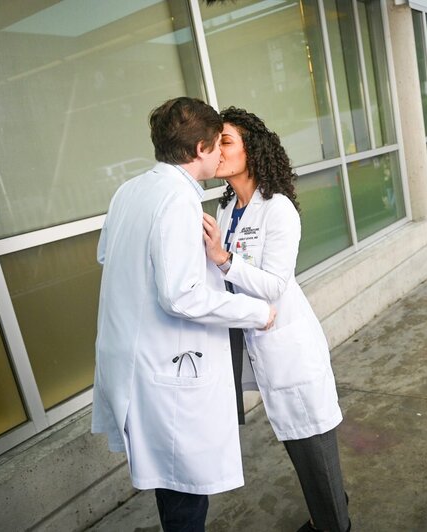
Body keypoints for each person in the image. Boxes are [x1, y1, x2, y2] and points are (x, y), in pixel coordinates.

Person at [92, 97, 276, 532]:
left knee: (172, 483)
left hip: (137, 360)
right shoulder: (177, 201)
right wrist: (256, 311)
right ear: (199, 150)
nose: (220, 154)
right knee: (185, 492)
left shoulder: (130, 190)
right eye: (217, 145)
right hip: (166, 368)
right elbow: (182, 296)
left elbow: (107, 255)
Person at [202, 107, 350, 532]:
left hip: (290, 350)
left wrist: (223, 259)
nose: (218, 151)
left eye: (226, 141)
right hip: (257, 343)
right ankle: (329, 514)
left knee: (314, 449)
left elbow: (273, 285)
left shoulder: (278, 209)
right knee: (299, 449)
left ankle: (335, 524)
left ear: (254, 149)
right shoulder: (227, 207)